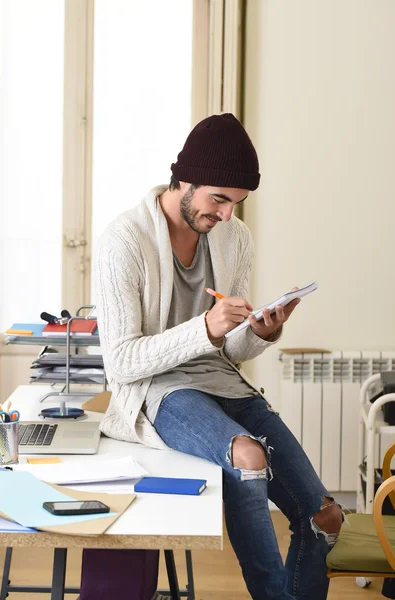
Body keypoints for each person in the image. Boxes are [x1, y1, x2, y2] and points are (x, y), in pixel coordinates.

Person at [94, 113, 343, 600]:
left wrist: (261, 333)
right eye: (219, 200)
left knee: (325, 518)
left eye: (238, 203)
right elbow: (121, 363)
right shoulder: (124, 241)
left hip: (223, 382)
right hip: (160, 388)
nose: (228, 214)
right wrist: (204, 327)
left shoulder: (233, 237)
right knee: (247, 456)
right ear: (184, 180)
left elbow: (233, 352)